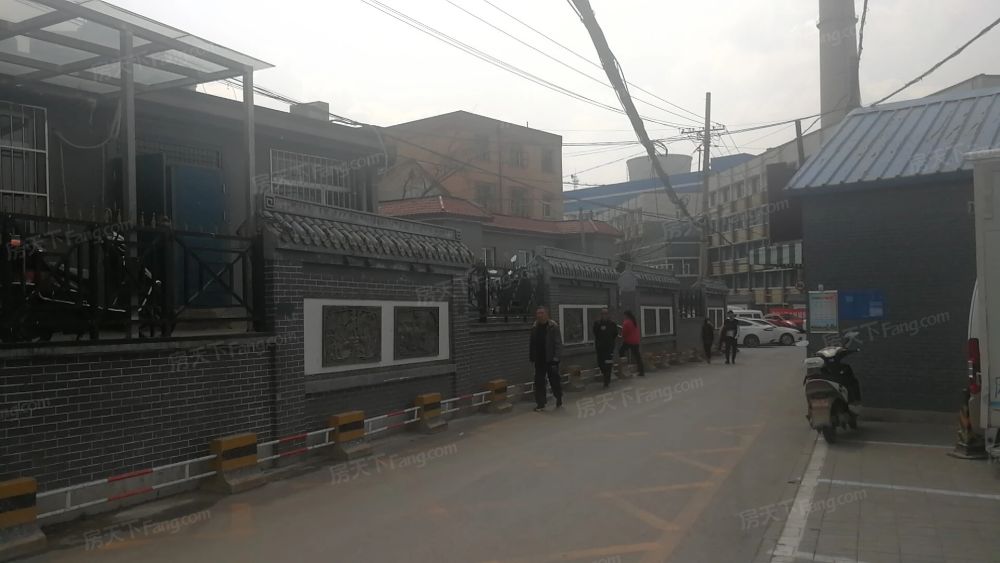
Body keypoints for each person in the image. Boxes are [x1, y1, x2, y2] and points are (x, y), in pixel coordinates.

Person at [528, 306, 563, 411]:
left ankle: (558, 397)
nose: (539, 315)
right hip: (539, 359)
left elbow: (558, 343)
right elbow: (532, 343)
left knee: (554, 380)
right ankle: (541, 403)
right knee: (539, 382)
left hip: (551, 359)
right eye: (538, 313)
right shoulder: (534, 327)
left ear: (547, 314)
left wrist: (556, 358)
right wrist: (532, 356)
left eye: (542, 313)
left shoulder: (553, 326)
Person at [592, 308, 619, 388]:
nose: (604, 315)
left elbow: (615, 334)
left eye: (606, 313)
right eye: (603, 313)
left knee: (608, 364)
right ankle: (605, 374)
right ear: (601, 315)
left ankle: (606, 381)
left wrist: (610, 342)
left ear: (608, 315)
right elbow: (595, 333)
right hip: (600, 349)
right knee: (600, 363)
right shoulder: (597, 323)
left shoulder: (612, 324)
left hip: (609, 349)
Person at [619, 310, 645, 377]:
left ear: (626, 315)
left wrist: (621, 336)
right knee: (637, 356)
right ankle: (641, 372)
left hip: (628, 341)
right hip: (636, 341)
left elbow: (624, 333)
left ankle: (624, 367)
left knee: (621, 351)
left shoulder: (626, 322)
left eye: (624, 315)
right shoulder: (634, 321)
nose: (623, 317)